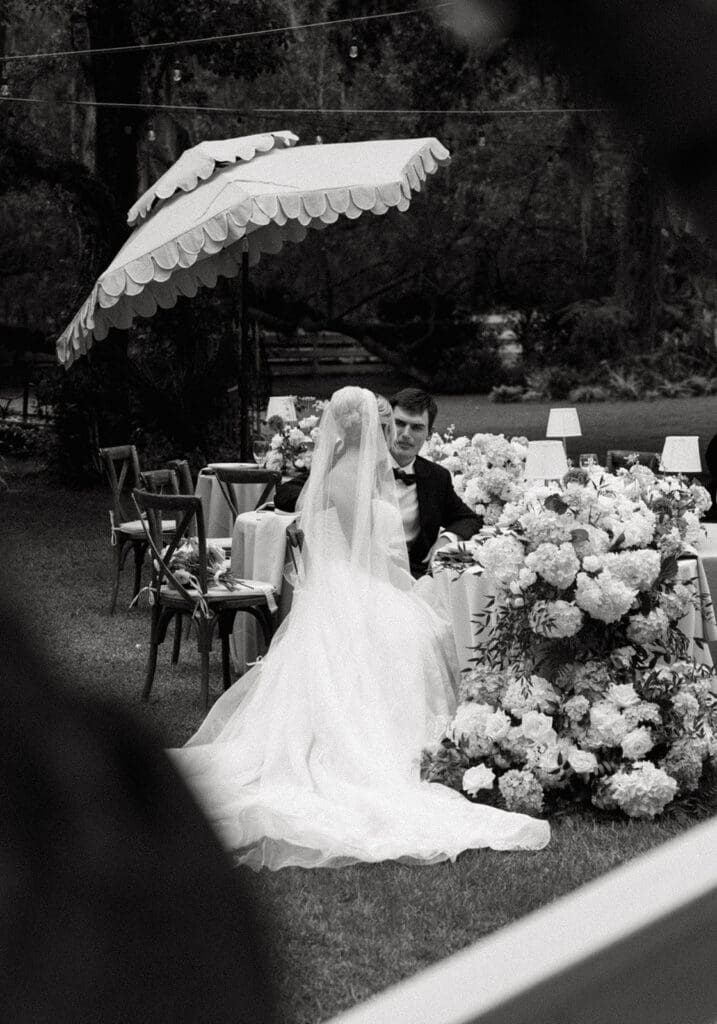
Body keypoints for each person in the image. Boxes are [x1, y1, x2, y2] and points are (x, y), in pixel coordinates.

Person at [170, 387, 549, 870]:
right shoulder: (351, 476)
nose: (394, 431)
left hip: (337, 590)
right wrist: (410, 589)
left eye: (406, 425)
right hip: (356, 589)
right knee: (422, 633)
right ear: (368, 426)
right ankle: (419, 744)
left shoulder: (347, 468)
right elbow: (362, 554)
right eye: (387, 421)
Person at [274, 386, 483, 577]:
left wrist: (445, 540)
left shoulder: (436, 477)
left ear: (429, 434)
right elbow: (286, 494)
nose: (405, 435)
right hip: (361, 576)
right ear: (383, 425)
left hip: (416, 574)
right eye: (399, 424)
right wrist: (324, 505)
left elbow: (468, 519)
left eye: (417, 428)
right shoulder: (350, 466)